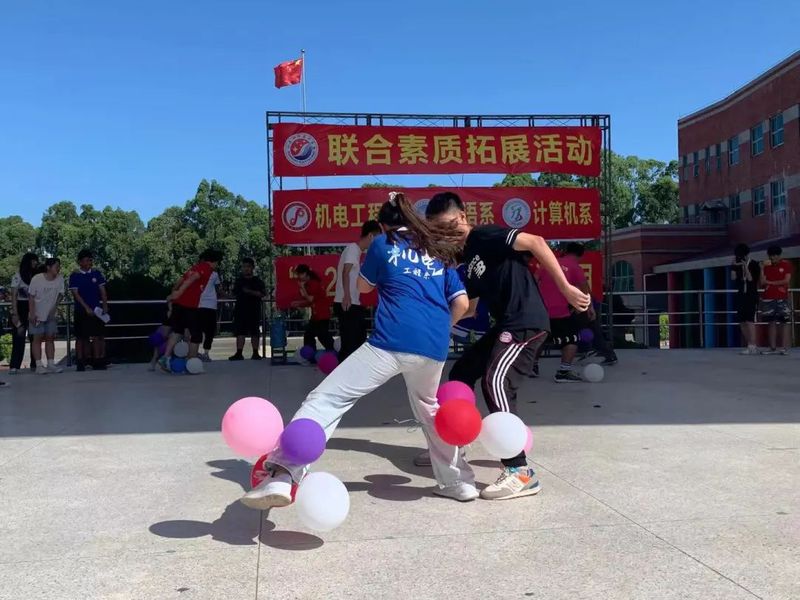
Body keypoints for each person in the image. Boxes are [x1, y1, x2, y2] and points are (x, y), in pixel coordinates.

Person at [242, 192, 478, 509]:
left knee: (327, 399)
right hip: (433, 347)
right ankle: (459, 482)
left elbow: (364, 286)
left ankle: (283, 475)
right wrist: (436, 330)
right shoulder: (437, 249)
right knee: (430, 410)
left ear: (382, 225)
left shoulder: (383, 244)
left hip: (391, 341)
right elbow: (461, 303)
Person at [425, 191, 590, 500]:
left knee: (496, 380)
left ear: (462, 217)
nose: (445, 234)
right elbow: (470, 307)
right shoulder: (469, 260)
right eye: (438, 230)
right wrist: (438, 326)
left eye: (448, 225)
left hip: (525, 322)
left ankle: (520, 471)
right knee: (462, 371)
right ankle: (456, 442)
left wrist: (566, 288)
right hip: (506, 325)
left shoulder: (484, 235)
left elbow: (536, 242)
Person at [160, 249, 223, 371]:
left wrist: (174, 292)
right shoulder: (206, 268)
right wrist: (179, 292)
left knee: (178, 331)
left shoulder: (195, 267)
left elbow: (182, 279)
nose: (217, 265)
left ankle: (165, 357)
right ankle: (191, 362)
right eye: (217, 263)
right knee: (196, 335)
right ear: (215, 261)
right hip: (189, 305)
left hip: (179, 304)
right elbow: (192, 278)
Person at [533, 247, 586, 383]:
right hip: (562, 311)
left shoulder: (547, 263)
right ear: (579, 256)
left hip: (542, 310)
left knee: (540, 339)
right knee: (572, 339)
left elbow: (534, 280)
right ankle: (564, 371)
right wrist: (588, 305)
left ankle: (532, 367)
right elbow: (584, 287)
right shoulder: (574, 266)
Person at [333, 220, 381, 361]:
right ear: (371, 236)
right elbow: (345, 272)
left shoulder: (357, 252)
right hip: (347, 303)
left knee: (359, 338)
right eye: (377, 238)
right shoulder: (353, 249)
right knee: (350, 343)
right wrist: (347, 295)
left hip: (354, 303)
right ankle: (342, 371)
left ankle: (351, 370)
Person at [69, 249, 109, 371]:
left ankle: (98, 360)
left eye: (90, 260)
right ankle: (81, 361)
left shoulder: (97, 274)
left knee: (97, 336)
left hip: (97, 310)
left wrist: (105, 306)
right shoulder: (75, 276)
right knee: (81, 337)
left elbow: (102, 291)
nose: (88, 263)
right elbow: (76, 294)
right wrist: (86, 308)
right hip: (81, 310)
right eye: (86, 260)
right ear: (80, 262)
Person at [28, 258, 65, 375]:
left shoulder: (60, 279)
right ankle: (39, 365)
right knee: (37, 339)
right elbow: (31, 296)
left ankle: (51, 364)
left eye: (59, 266)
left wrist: (55, 306)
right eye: (56, 266)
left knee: (50, 338)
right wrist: (32, 313)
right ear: (48, 267)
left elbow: (61, 294)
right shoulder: (37, 279)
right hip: (37, 313)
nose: (58, 269)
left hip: (51, 314)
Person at [228, 258, 266, 361]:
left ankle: (255, 353)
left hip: (254, 309)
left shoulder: (257, 281)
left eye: (248, 267)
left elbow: (262, 294)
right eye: (244, 267)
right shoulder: (239, 281)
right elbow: (234, 294)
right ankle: (239, 353)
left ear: (252, 268)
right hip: (240, 310)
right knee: (240, 332)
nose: (246, 269)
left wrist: (250, 291)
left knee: (254, 331)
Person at [293, 264, 335, 355]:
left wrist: (302, 287)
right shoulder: (309, 284)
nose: (299, 277)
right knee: (309, 334)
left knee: (322, 335)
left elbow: (310, 299)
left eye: (299, 274)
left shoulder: (314, 283)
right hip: (316, 315)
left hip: (322, 314)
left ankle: (333, 352)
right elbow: (311, 301)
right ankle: (310, 355)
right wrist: (299, 303)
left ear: (305, 273)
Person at [9, 252, 39, 374]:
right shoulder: (18, 276)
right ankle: (14, 365)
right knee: (19, 337)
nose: (36, 263)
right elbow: (14, 295)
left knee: (34, 337)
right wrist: (15, 313)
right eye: (33, 260)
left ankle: (35, 364)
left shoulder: (36, 276)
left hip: (34, 307)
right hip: (21, 307)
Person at [760, 245, 793, 355]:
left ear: (779, 255)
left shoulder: (786, 264)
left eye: (775, 255)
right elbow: (762, 282)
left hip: (782, 297)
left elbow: (786, 280)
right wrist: (761, 268)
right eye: (771, 255)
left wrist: (770, 283)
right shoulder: (766, 266)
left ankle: (784, 348)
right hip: (768, 297)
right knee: (771, 322)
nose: (773, 257)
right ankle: (772, 348)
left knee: (785, 322)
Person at [731, 243, 761, 355]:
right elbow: (733, 278)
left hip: (751, 294)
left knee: (749, 320)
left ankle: (753, 345)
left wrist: (745, 266)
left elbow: (750, 279)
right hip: (740, 294)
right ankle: (750, 343)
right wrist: (733, 266)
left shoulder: (754, 264)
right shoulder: (736, 264)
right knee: (742, 320)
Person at [197, 261, 221, 362]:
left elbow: (217, 289)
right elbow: (218, 289)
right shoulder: (201, 273)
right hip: (203, 305)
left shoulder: (213, 274)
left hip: (207, 305)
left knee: (207, 331)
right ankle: (201, 352)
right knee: (205, 330)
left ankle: (203, 353)